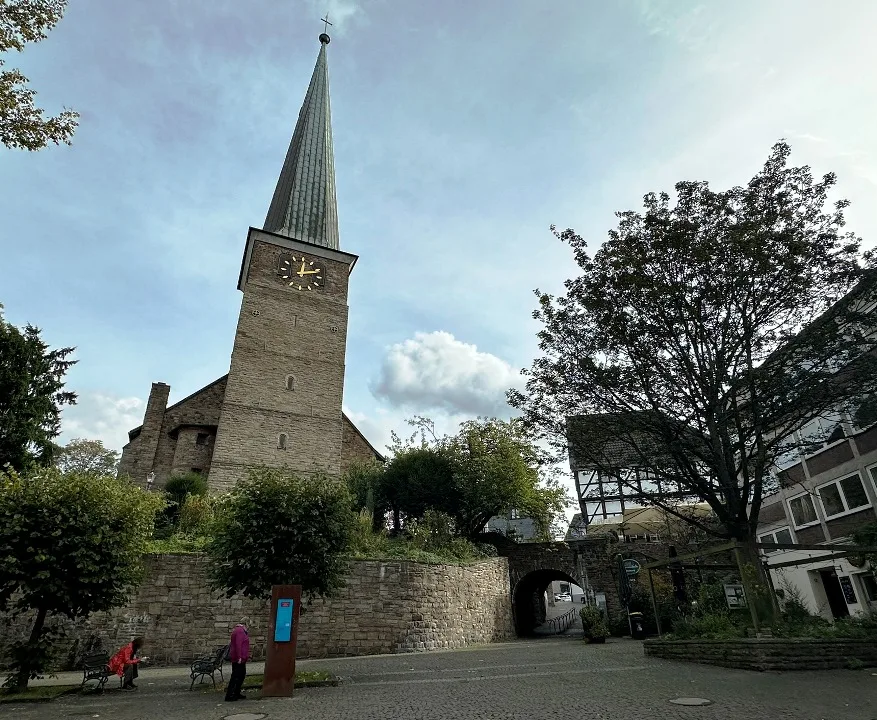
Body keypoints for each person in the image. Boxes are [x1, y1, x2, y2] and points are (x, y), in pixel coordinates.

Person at [225, 617, 250, 702]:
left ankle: (236, 692)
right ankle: (230, 694)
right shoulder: (240, 631)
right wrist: (239, 657)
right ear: (246, 623)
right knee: (236, 676)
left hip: (241, 657)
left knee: (241, 675)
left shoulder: (240, 631)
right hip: (239, 658)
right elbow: (238, 644)